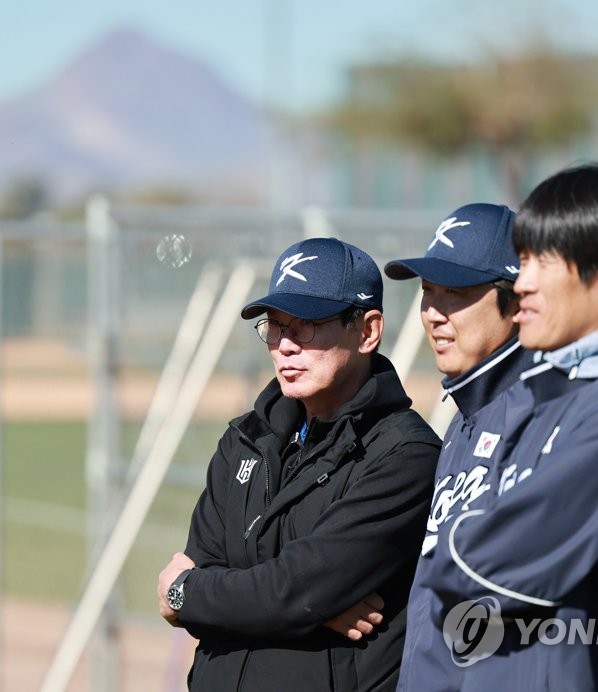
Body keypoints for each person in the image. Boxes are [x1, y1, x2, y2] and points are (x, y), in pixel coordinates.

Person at [402, 163, 598, 691]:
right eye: (522, 261)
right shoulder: (542, 398)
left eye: (543, 261)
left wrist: (448, 553)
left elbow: (481, 571)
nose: (521, 283)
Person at [157, 237, 442, 691]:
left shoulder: (404, 455)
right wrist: (298, 607)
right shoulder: (245, 439)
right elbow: (281, 594)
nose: (285, 345)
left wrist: (188, 592)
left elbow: (291, 592)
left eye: (306, 326)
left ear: (367, 330)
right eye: (275, 325)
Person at [378, 202, 537, 689]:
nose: (433, 314)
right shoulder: (463, 420)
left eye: (457, 294)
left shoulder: (539, 419)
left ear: (514, 301)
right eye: (428, 292)